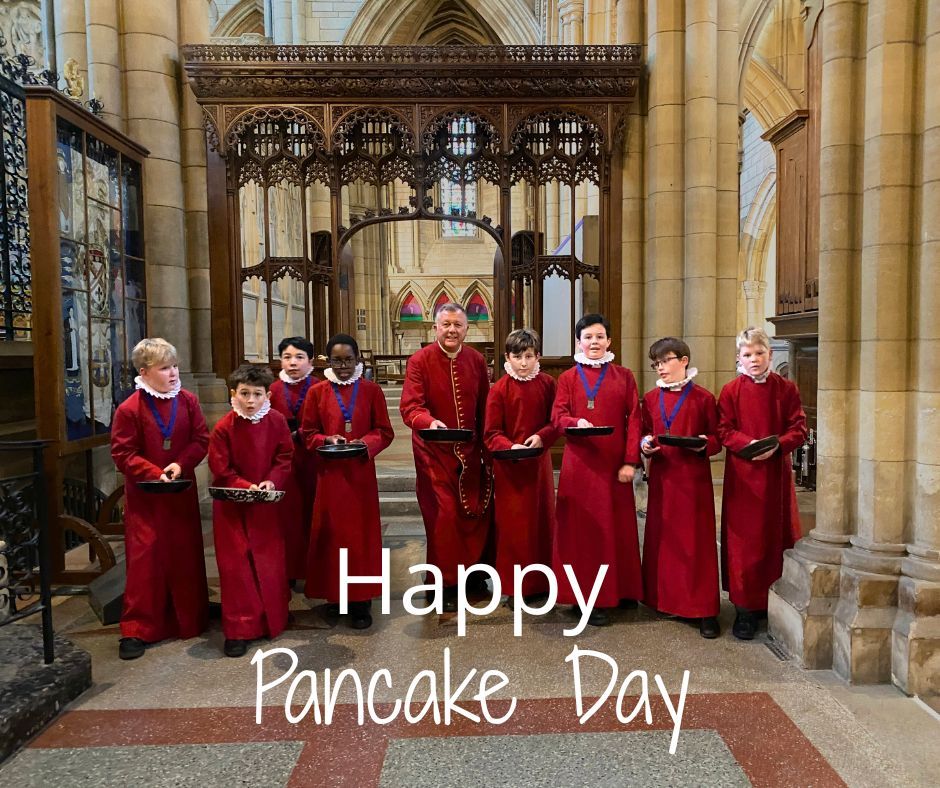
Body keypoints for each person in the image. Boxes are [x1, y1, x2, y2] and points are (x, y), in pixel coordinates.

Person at [110, 338, 209, 660]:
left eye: (175, 366)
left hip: (181, 490)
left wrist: (182, 463)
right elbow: (123, 452)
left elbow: (200, 439)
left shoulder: (189, 401)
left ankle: (189, 618)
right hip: (146, 497)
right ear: (145, 372)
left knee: (184, 554)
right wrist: (153, 471)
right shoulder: (130, 408)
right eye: (165, 368)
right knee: (146, 560)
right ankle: (138, 627)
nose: (173, 373)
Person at [399, 303, 492, 611]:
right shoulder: (419, 360)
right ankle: (443, 584)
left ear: (466, 329)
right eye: (446, 324)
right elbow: (410, 407)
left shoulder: (476, 360)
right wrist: (429, 422)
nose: (452, 330)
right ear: (435, 328)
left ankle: (472, 575)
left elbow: (485, 406)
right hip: (433, 452)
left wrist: (488, 443)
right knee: (445, 517)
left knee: (474, 514)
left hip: (471, 450)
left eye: (458, 325)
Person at [552, 313, 643, 626]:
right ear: (579, 342)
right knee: (585, 535)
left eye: (599, 337)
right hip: (580, 467)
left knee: (617, 529)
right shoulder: (567, 379)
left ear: (609, 341)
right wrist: (575, 421)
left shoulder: (624, 376)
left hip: (614, 465)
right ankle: (588, 597)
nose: (594, 342)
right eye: (588, 337)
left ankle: (624, 589)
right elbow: (557, 417)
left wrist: (631, 460)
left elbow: (635, 421)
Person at [718, 327, 807, 640]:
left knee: (773, 538)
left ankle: (773, 601)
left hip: (774, 475)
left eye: (759, 353)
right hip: (743, 476)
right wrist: (747, 444)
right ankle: (745, 609)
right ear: (739, 358)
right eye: (747, 354)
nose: (753, 359)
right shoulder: (731, 390)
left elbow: (799, 428)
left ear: (769, 354)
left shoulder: (786, 389)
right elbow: (724, 430)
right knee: (743, 542)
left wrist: (779, 444)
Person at [301, 334, 394, 629]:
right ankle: (335, 597)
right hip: (330, 476)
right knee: (332, 537)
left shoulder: (371, 390)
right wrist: (326, 439)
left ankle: (361, 601)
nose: (343, 366)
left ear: (357, 361)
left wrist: (365, 443)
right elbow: (306, 432)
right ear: (328, 361)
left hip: (359, 476)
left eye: (348, 360)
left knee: (359, 539)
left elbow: (385, 430)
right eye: (337, 360)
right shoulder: (317, 392)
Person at [209, 364, 293, 657]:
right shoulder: (223, 428)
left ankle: (273, 619)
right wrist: (246, 485)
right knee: (237, 569)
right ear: (233, 394)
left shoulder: (277, 421)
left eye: (257, 394)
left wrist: (272, 480)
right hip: (233, 506)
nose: (250, 401)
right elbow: (220, 468)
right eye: (244, 393)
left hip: (266, 506)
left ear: (267, 395)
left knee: (270, 563)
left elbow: (284, 456)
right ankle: (238, 629)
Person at [640, 337, 722, 638]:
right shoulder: (650, 399)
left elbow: (717, 438)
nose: (660, 368)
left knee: (696, 544)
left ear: (684, 360)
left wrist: (705, 444)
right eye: (656, 364)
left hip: (692, 480)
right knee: (665, 540)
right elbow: (645, 433)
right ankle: (665, 600)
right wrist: (645, 445)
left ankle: (704, 610)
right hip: (663, 477)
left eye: (665, 361)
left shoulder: (702, 397)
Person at [483, 328, 558, 602]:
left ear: (538, 356)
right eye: (518, 356)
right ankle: (516, 587)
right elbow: (491, 433)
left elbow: (556, 421)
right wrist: (509, 446)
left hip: (538, 466)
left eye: (529, 356)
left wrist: (543, 436)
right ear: (507, 357)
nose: (524, 363)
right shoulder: (500, 389)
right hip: (510, 470)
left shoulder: (548, 384)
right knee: (514, 529)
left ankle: (543, 582)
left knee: (542, 524)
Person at [269, 336, 317, 583]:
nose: (293, 363)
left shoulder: (319, 387)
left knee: (312, 514)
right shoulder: (272, 390)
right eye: (287, 357)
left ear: (310, 361)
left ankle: (313, 567)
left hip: (312, 460)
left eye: (299, 357)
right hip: (282, 462)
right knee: (287, 517)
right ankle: (288, 569)